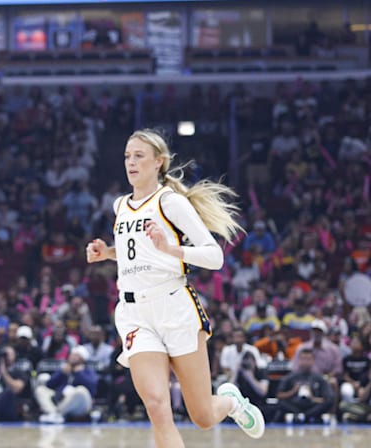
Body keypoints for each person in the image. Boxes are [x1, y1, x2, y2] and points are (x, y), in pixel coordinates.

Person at [85, 128, 265, 446]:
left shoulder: (171, 202)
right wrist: (107, 253)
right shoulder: (119, 206)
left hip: (174, 306)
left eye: (139, 155)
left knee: (203, 416)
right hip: (135, 313)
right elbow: (137, 252)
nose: (131, 162)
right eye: (127, 156)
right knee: (157, 407)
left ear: (159, 162)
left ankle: (232, 402)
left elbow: (214, 257)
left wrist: (172, 250)